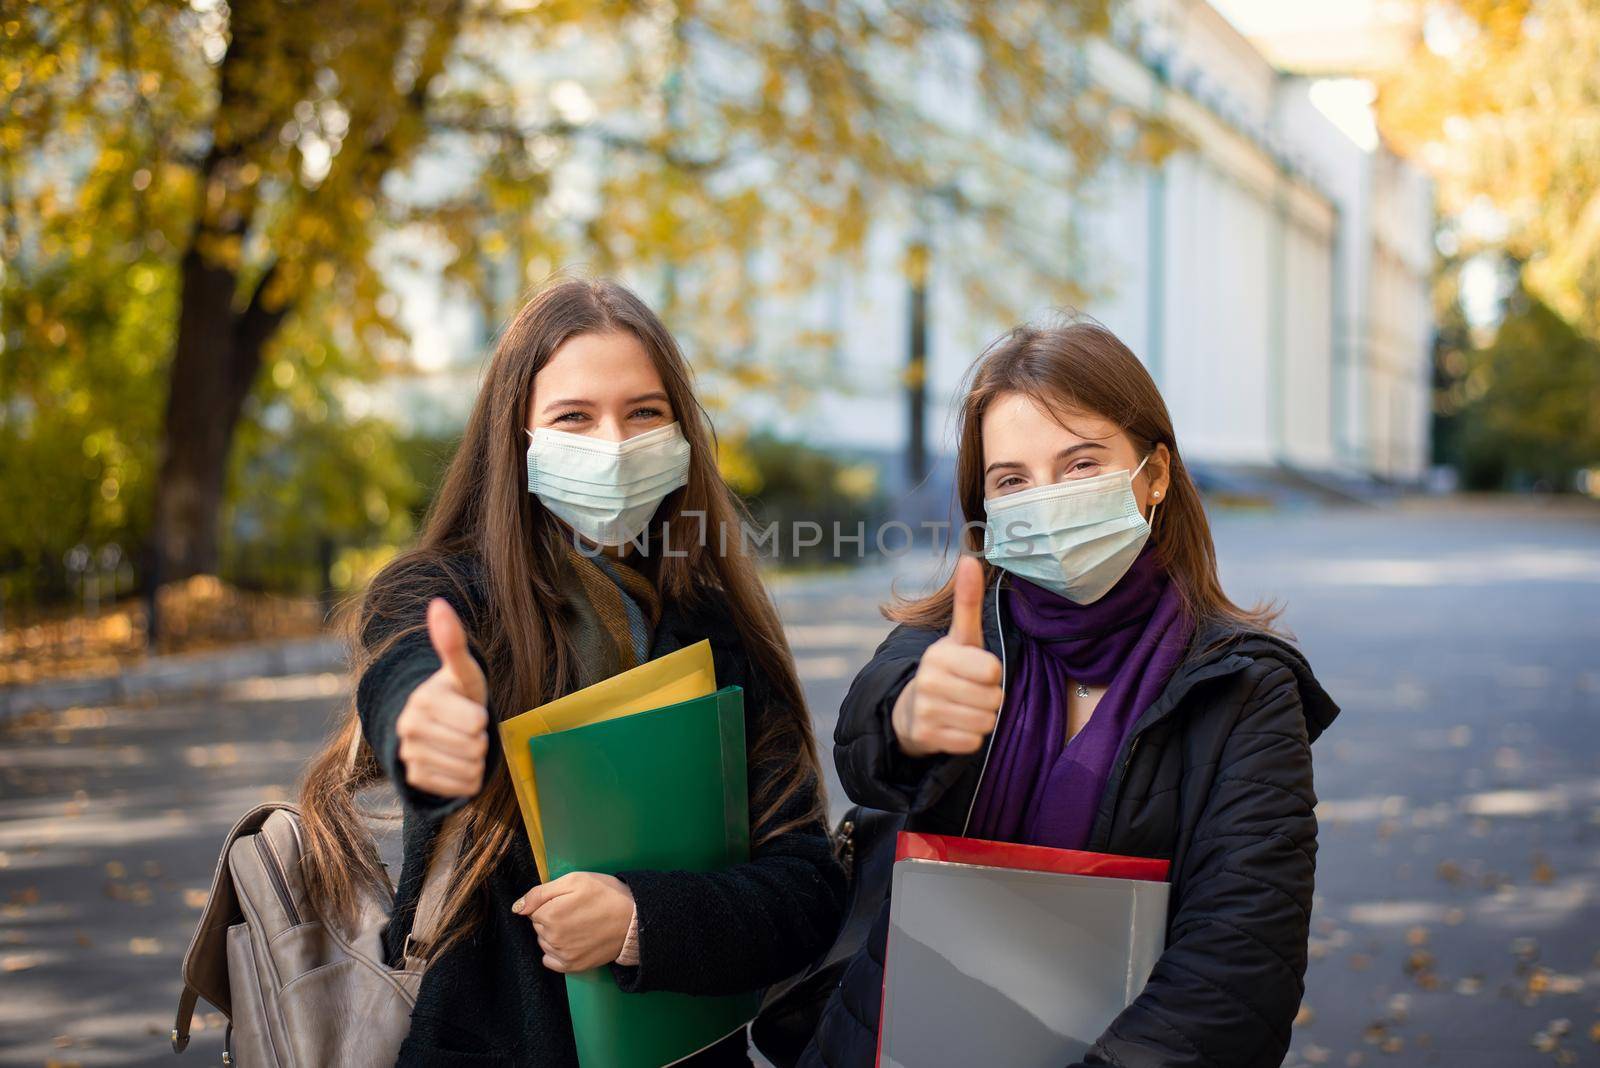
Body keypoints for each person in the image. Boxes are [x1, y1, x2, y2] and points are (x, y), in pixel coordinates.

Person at [295, 277, 845, 1066]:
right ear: (517, 436)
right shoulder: (447, 596)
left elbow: (806, 890)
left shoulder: (724, 635)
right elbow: (406, 670)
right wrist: (424, 726)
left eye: (644, 413)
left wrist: (639, 920)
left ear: (683, 432)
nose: (614, 443)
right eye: (574, 418)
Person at [804, 321, 1340, 1067]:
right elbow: (868, 749)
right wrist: (909, 721)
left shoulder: (1245, 691)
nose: (1046, 501)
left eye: (1080, 464)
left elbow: (1237, 973)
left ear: (1153, 477)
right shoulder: (958, 634)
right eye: (1012, 480)